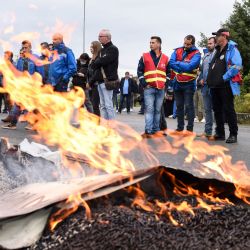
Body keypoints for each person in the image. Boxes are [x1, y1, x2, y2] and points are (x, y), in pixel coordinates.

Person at [207, 28, 242, 143]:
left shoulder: (232, 49)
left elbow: (237, 65)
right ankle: (220, 133)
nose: (216, 37)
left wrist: (224, 78)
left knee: (228, 109)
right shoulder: (216, 50)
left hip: (226, 85)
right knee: (217, 110)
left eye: (218, 35)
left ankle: (233, 134)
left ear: (224, 36)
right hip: (214, 86)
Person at [1, 40, 39, 130]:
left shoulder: (35, 58)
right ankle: (13, 124)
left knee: (31, 106)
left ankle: (33, 123)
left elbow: (39, 72)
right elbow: (16, 72)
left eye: (26, 47)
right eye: (23, 47)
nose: (24, 49)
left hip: (32, 86)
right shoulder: (20, 59)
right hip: (22, 86)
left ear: (30, 47)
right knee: (18, 105)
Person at [137, 36, 169, 138]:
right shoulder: (144, 56)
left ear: (159, 44)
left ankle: (156, 130)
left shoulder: (165, 58)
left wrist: (165, 83)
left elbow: (169, 73)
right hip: (149, 88)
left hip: (160, 88)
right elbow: (139, 71)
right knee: (150, 109)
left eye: (153, 42)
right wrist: (144, 83)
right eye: (150, 42)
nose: (151, 44)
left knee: (157, 110)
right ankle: (148, 130)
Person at [169, 35, 201, 133]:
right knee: (179, 106)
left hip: (189, 83)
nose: (186, 45)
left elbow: (190, 67)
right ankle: (180, 128)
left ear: (192, 44)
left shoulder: (197, 54)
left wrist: (178, 63)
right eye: (185, 43)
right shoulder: (177, 51)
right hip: (177, 82)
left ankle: (189, 129)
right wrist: (183, 65)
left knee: (189, 106)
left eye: (188, 44)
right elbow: (171, 62)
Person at [91, 29, 119, 121]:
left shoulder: (113, 49)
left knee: (108, 105)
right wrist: (98, 61)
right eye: (98, 36)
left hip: (108, 81)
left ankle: (112, 126)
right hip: (100, 81)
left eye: (100, 36)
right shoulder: (102, 50)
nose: (99, 38)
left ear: (107, 38)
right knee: (102, 106)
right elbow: (94, 64)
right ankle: (105, 126)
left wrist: (98, 61)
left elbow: (103, 61)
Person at [197, 38, 216, 139]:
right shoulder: (206, 55)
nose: (208, 45)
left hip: (214, 86)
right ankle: (208, 131)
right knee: (207, 109)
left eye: (210, 43)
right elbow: (202, 70)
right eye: (208, 44)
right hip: (205, 86)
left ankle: (219, 132)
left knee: (216, 109)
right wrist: (200, 79)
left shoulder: (218, 54)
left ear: (215, 44)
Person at [87, 41, 102, 117]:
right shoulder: (91, 59)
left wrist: (90, 82)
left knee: (95, 106)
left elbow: (97, 73)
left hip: (96, 84)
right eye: (90, 47)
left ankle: (97, 123)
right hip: (90, 85)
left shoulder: (98, 58)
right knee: (91, 105)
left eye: (92, 47)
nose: (91, 49)